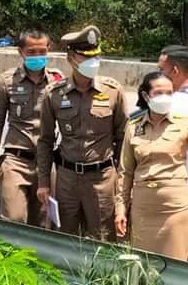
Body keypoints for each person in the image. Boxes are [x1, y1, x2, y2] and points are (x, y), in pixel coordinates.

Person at [37, 25, 127, 242]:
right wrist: (43, 182)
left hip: (102, 179)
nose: (92, 62)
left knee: (103, 241)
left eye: (95, 56)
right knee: (65, 240)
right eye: (85, 57)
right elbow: (45, 140)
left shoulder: (113, 91)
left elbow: (123, 139)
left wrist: (122, 187)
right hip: (67, 179)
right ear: (70, 58)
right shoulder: (54, 94)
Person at [0, 30, 63, 226]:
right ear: (21, 52)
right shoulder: (7, 81)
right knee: (14, 219)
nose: (37, 56)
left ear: (48, 50)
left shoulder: (57, 81)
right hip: (15, 161)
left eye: (41, 51)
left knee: (44, 223)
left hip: (45, 163)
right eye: (31, 52)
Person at [115, 72, 188, 260]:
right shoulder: (134, 126)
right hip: (143, 208)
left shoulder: (185, 124)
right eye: (159, 92)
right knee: (142, 267)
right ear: (146, 96)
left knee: (174, 267)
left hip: (174, 207)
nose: (165, 97)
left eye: (169, 92)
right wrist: (121, 209)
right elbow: (125, 172)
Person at [158, 45, 188, 191]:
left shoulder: (173, 103)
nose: (159, 76)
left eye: (161, 70)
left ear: (175, 71)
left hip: (176, 186)